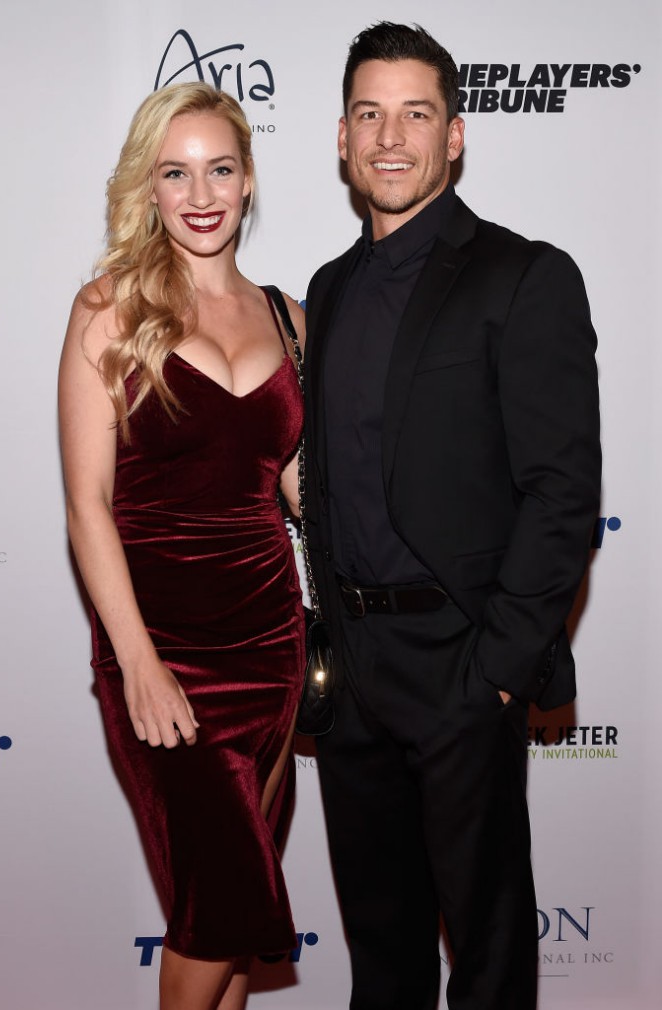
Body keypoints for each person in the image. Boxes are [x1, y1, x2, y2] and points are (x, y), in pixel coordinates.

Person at [303, 22, 601, 1010]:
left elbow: (563, 496)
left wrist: (495, 672)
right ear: (342, 137)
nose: (392, 137)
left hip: (459, 663)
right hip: (354, 675)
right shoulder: (329, 290)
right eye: (370, 114)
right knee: (382, 958)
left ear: (456, 134)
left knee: (487, 961)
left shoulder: (524, 276)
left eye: (416, 114)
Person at [58, 82, 305, 1010]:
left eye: (220, 169)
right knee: (214, 912)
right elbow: (86, 505)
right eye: (176, 172)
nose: (200, 194)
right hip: (161, 649)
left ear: (248, 181)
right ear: (149, 188)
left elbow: (295, 487)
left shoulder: (289, 318)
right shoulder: (109, 309)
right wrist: (138, 665)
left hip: (271, 643)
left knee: (233, 924)